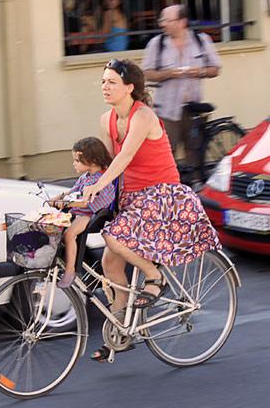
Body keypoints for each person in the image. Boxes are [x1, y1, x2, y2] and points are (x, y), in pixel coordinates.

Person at [82, 58, 222, 362]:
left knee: (113, 238)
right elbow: (107, 166)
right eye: (103, 81)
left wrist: (99, 184)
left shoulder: (143, 116)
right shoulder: (106, 119)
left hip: (163, 195)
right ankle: (120, 331)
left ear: (129, 88)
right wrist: (81, 191)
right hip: (133, 198)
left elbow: (124, 158)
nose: (105, 86)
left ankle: (153, 277)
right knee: (110, 263)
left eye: (111, 82)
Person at [142, 4, 221, 183]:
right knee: (164, 156)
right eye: (162, 20)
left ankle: (191, 194)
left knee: (194, 154)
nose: (163, 24)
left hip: (193, 109)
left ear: (182, 22)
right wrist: (168, 74)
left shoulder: (202, 41)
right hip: (167, 110)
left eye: (168, 20)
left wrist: (199, 72)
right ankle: (168, 192)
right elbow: (147, 73)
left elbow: (215, 68)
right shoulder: (157, 44)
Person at [50, 137, 115, 288]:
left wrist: (66, 202)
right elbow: (72, 191)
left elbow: (87, 202)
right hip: (79, 211)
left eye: (77, 161)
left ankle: (70, 270)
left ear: (91, 162)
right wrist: (59, 197)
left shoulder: (100, 181)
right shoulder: (84, 177)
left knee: (69, 234)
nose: (74, 164)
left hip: (89, 214)